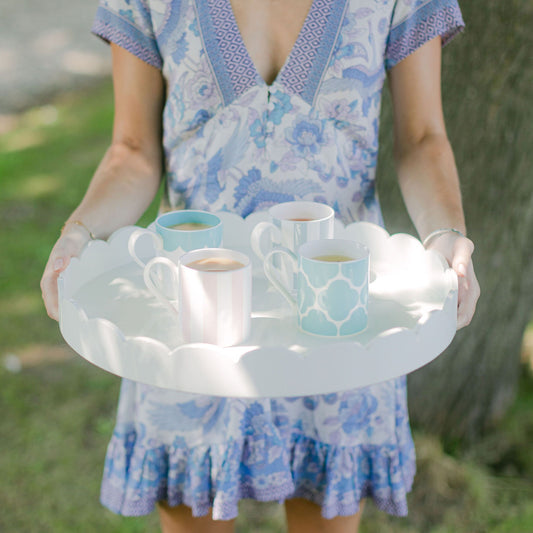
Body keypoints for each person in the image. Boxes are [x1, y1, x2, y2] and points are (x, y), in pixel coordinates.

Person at [41, 0, 480, 531]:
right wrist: (79, 233)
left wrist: (446, 235)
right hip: (191, 322)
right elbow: (132, 150)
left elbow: (422, 139)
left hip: (339, 317)